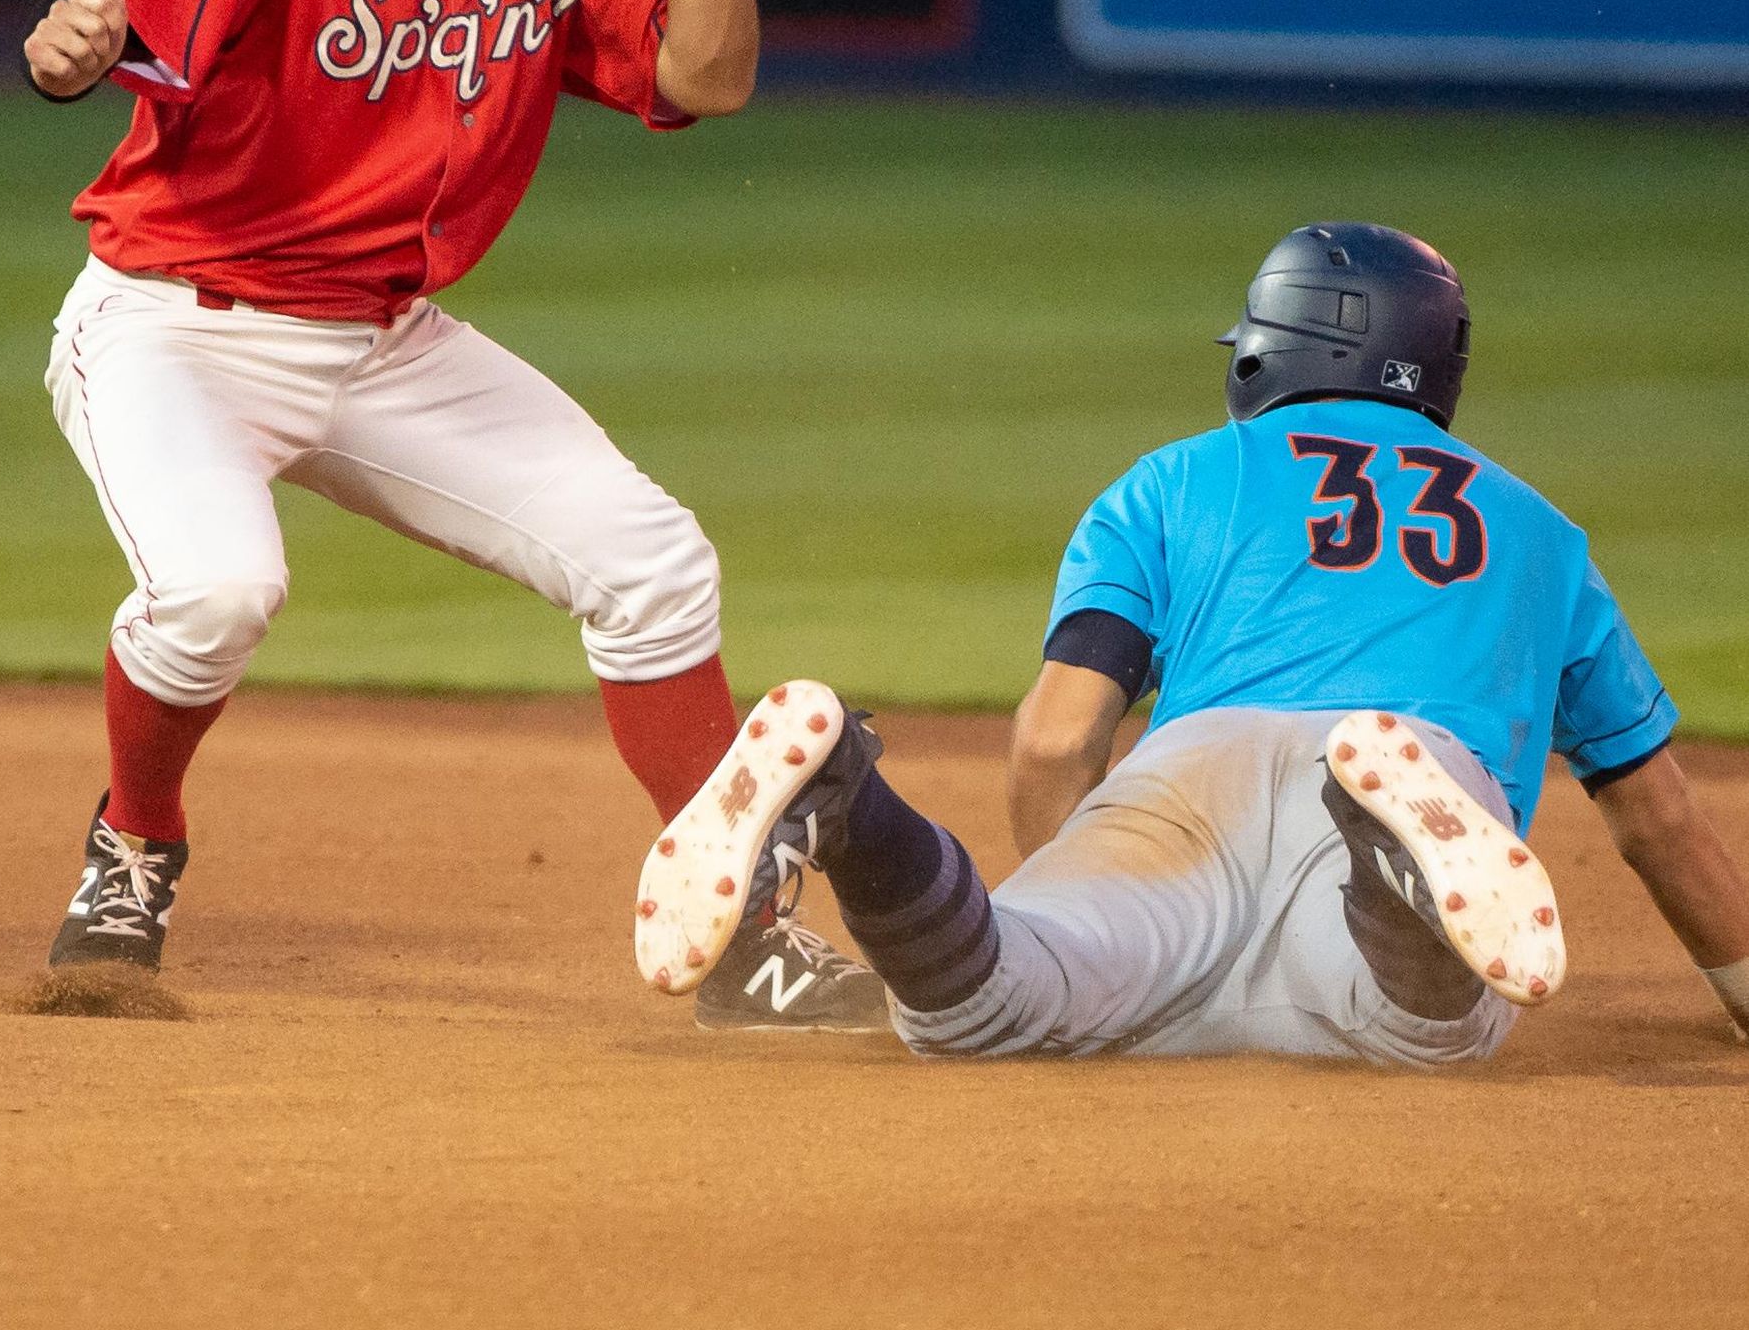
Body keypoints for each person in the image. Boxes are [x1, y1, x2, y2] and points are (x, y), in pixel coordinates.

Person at [21, 0, 883, 1031]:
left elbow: (708, 77)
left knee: (652, 562)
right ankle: (134, 847)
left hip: (384, 341)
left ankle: (741, 937)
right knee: (220, 590)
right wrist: (80, 29)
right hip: (177, 320)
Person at [640, 222, 1749, 1063]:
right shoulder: (1542, 537)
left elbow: (1058, 735)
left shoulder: (1174, 478)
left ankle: (847, 799)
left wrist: (1072, 899)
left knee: (990, 1004)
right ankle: (1387, 863)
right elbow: (1657, 819)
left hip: (1191, 774)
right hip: (1417, 752)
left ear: (1271, 345)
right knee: (1418, 1029)